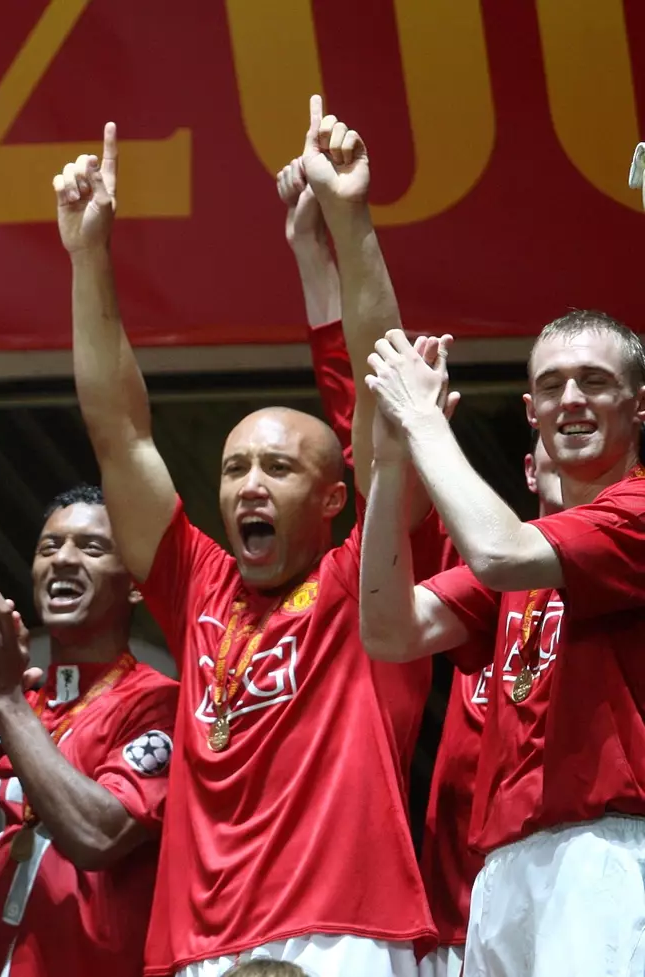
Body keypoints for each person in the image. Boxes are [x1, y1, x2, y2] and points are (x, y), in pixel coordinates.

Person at [59, 99, 438, 976]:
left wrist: (351, 221)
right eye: (234, 469)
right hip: (197, 949)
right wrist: (88, 258)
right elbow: (120, 429)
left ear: (337, 497)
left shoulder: (364, 578)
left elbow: (391, 410)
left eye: (278, 467)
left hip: (347, 931)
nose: (248, 485)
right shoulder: (196, 580)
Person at [359, 310, 645, 976]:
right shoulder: (528, 560)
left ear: (639, 408)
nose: (570, 398)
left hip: (603, 853)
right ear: (531, 410)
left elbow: (496, 549)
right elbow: (389, 628)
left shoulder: (633, 511)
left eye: (593, 380)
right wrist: (389, 460)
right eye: (551, 385)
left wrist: (425, 421)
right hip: (502, 870)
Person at [0, 484, 178, 977]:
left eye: (91, 548)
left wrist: (2, 698)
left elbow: (97, 836)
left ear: (134, 583)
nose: (63, 560)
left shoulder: (159, 703)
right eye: (49, 547)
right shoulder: (1, 713)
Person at [276, 156, 435, 783]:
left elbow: (373, 390)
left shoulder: (424, 534)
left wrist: (347, 219)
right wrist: (313, 249)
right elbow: (359, 402)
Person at [412, 437, 559, 977]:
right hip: (460, 917)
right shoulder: (486, 571)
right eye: (551, 441)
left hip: (569, 884)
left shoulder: (621, 575)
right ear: (528, 469)